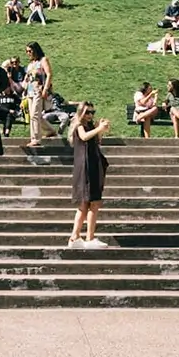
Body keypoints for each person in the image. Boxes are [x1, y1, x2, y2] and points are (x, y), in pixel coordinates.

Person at [68, 101, 110, 249]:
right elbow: (84, 137)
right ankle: (89, 237)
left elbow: (95, 142)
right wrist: (99, 128)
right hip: (86, 168)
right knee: (92, 203)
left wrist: (100, 130)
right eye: (87, 112)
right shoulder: (80, 126)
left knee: (86, 204)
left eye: (92, 112)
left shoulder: (90, 126)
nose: (90, 115)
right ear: (81, 113)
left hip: (91, 165)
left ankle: (75, 237)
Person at [24, 41, 54, 147]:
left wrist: (45, 89)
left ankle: (35, 138)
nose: (28, 53)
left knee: (35, 115)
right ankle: (50, 130)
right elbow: (27, 79)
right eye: (27, 51)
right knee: (34, 114)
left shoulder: (43, 60)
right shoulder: (30, 64)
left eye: (30, 51)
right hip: (30, 91)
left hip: (39, 90)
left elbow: (49, 74)